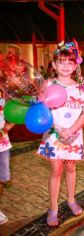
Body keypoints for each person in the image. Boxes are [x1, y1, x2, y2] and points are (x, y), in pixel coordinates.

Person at [37, 42, 84, 226]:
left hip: (73, 135)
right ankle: (53, 209)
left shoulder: (81, 87)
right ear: (54, 64)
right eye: (61, 61)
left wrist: (71, 131)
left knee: (71, 168)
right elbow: (41, 110)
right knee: (56, 170)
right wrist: (58, 129)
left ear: (75, 66)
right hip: (53, 134)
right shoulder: (48, 84)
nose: (66, 65)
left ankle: (71, 200)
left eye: (70, 62)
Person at [0, 91, 15, 225]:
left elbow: (15, 113)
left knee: (0, 179)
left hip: (2, 146)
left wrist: (8, 127)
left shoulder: (3, 96)